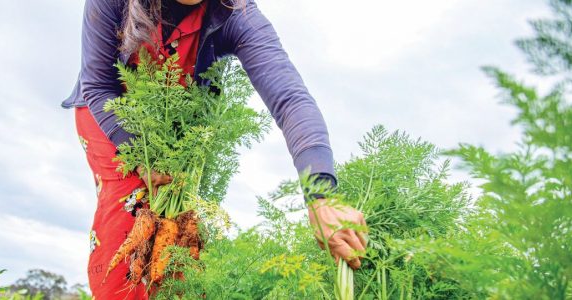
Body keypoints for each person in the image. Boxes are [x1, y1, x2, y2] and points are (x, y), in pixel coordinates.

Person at [62, 0, 367, 298]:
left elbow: (291, 100)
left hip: (178, 129)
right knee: (130, 215)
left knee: (180, 237)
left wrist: (321, 196)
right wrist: (141, 158)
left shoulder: (237, 13)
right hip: (111, 115)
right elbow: (98, 85)